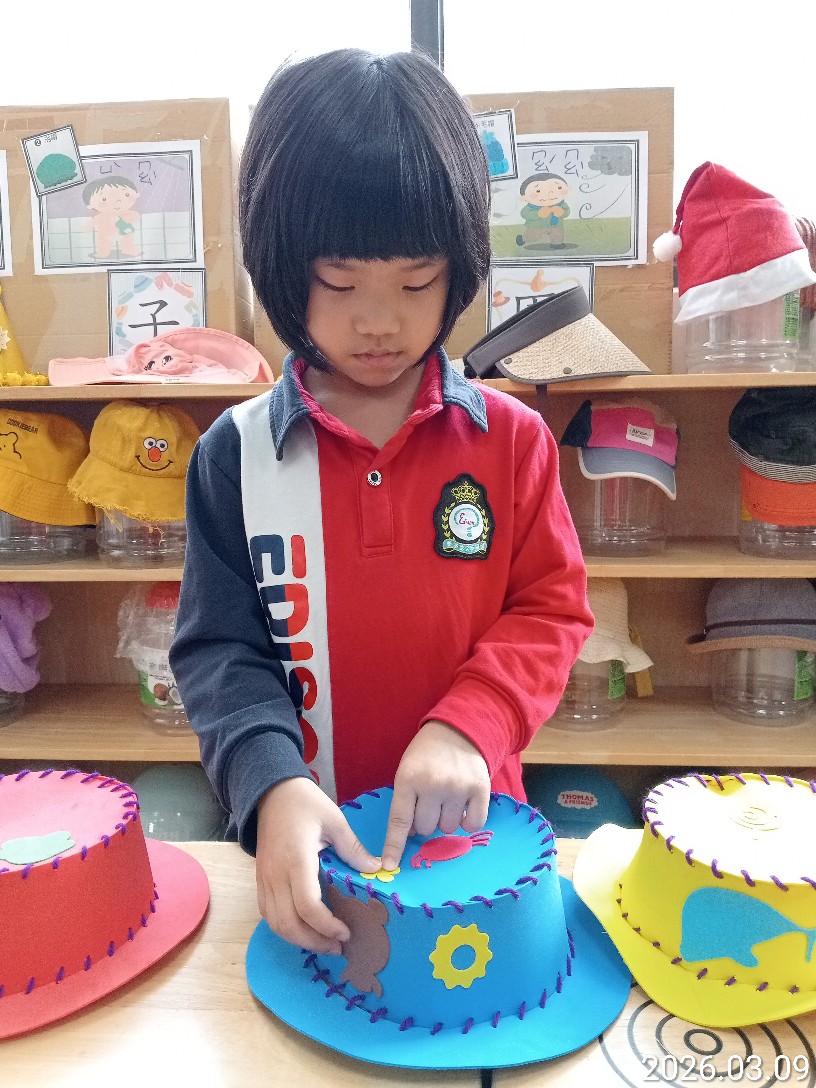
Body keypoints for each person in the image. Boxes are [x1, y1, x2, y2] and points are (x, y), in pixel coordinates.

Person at [170, 48, 592, 959]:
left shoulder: (512, 442)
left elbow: (551, 610)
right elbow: (219, 652)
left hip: (470, 850)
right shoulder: (234, 455)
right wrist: (270, 783)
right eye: (339, 280)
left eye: (414, 281)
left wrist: (470, 723)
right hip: (313, 857)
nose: (379, 320)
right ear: (281, 265)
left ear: (459, 266)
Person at [516, 171, 570, 249]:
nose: (549, 193)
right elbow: (524, 214)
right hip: (536, 226)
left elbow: (567, 212)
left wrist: (561, 212)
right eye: (538, 191)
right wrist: (538, 214)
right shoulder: (531, 207)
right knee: (533, 236)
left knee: (558, 234)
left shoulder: (561, 204)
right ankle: (523, 238)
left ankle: (556, 244)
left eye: (558, 188)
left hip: (556, 224)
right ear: (524, 197)